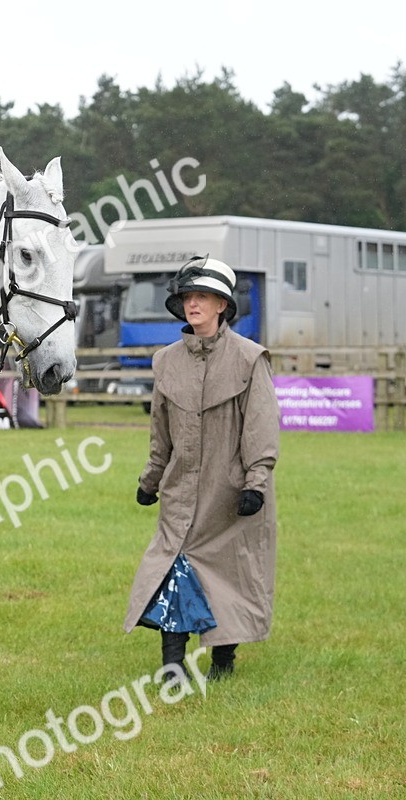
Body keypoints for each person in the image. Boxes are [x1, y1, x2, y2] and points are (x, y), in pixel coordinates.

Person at [123, 256, 280, 683]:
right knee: (173, 570)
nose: (194, 304)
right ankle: (172, 667)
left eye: (203, 297)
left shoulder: (250, 359)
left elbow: (261, 427)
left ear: (222, 306)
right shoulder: (166, 361)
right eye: (189, 296)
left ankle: (223, 662)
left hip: (230, 492)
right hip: (179, 490)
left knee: (225, 576)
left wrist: (256, 483)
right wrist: (150, 479)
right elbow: (161, 432)